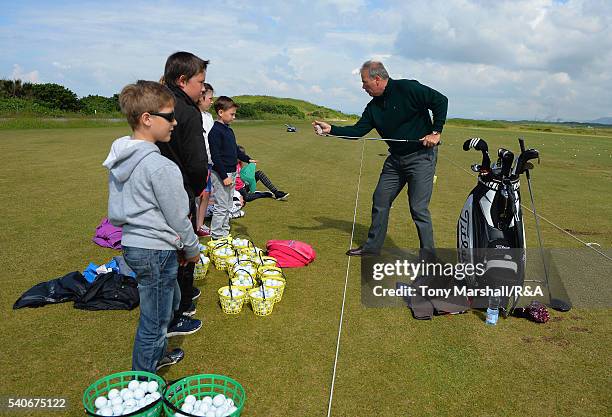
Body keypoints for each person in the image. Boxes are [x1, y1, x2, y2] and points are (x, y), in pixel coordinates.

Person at [104, 80, 200, 373]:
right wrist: (192, 248)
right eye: (168, 116)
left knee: (168, 303)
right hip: (154, 250)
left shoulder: (122, 155)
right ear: (147, 119)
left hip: (136, 245)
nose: (174, 122)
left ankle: (155, 355)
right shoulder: (161, 167)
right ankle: (144, 383)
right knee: (155, 321)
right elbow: (178, 216)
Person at [313, 60, 447, 255]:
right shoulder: (373, 107)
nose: (363, 86)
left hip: (421, 158)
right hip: (395, 160)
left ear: (377, 79)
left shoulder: (407, 88)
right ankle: (372, 247)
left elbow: (440, 100)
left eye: (365, 82)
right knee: (380, 200)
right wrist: (331, 129)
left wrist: (436, 132)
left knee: (418, 208)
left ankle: (429, 257)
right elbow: (357, 131)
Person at [156, 51, 208, 335]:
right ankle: (180, 309)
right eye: (200, 82)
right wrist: (196, 189)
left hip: (158, 194)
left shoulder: (157, 105)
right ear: (182, 79)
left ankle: (181, 300)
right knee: (182, 251)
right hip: (180, 191)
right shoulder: (187, 112)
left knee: (172, 250)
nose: (202, 88)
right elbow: (198, 162)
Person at [207, 96, 256, 239]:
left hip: (232, 172)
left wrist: (247, 159)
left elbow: (235, 150)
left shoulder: (229, 130)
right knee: (221, 206)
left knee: (228, 204)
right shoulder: (215, 132)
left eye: (235, 114)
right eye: (232, 114)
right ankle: (217, 236)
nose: (234, 117)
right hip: (222, 174)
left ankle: (224, 231)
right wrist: (224, 176)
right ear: (221, 112)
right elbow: (215, 157)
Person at [195, 83, 215, 237]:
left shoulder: (209, 117)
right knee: (196, 195)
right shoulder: (193, 115)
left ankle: (199, 226)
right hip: (197, 161)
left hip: (209, 162)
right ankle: (192, 225)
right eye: (210, 98)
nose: (212, 101)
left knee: (206, 195)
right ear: (201, 97)